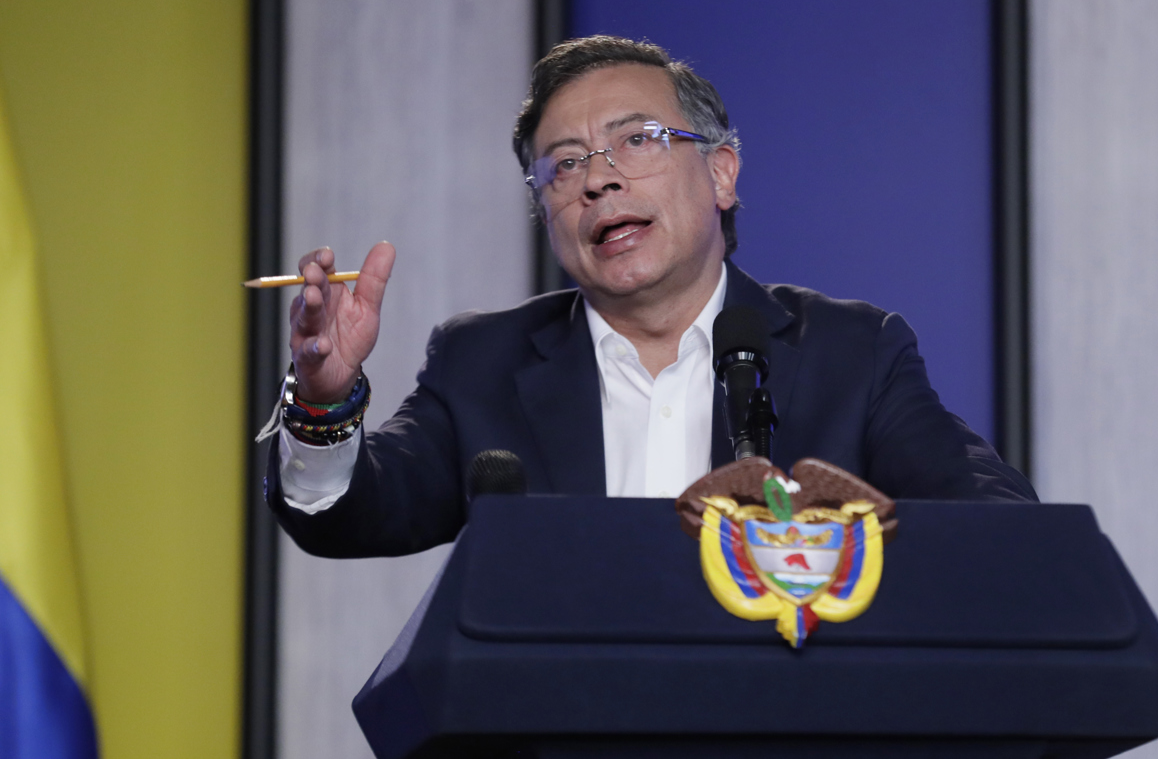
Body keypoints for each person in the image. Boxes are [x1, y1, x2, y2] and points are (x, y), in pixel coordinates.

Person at [264, 36, 1036, 558]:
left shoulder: (851, 354)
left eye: (637, 141)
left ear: (723, 172)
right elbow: (348, 514)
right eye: (563, 165)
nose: (598, 179)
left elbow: (1000, 532)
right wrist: (323, 405)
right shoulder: (482, 363)